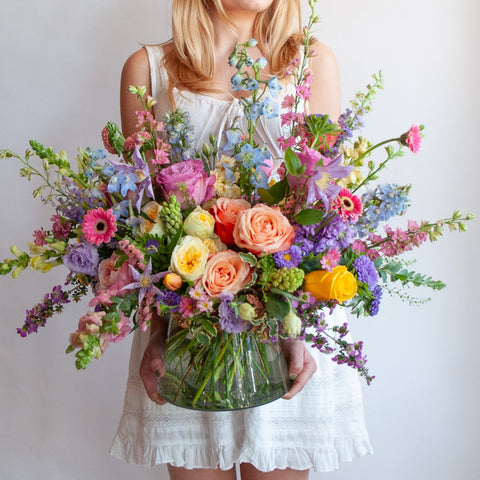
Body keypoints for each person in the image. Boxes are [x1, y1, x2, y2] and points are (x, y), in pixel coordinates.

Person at [110, 1, 373, 478]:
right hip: (186, 328)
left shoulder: (312, 63)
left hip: (286, 322)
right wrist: (158, 333)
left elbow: (323, 210)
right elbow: (142, 219)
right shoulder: (147, 69)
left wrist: (295, 328)